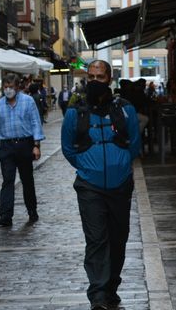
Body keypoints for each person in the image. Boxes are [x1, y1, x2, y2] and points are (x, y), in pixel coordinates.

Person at [61, 59, 141, 310]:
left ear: (110, 79)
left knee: (118, 238)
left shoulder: (124, 108)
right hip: (90, 186)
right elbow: (67, 147)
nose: (96, 81)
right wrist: (86, 165)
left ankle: (111, 288)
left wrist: (122, 164)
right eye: (92, 77)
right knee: (96, 238)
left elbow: (135, 143)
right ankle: (97, 294)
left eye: (100, 77)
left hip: (120, 184)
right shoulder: (76, 111)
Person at [0, 73, 45, 227]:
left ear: (17, 87)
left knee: (27, 180)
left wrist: (36, 146)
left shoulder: (28, 101)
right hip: (7, 147)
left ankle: (32, 210)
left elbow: (35, 123)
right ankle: (6, 216)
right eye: (5, 87)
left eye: (11, 87)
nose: (8, 90)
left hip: (25, 145)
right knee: (8, 181)